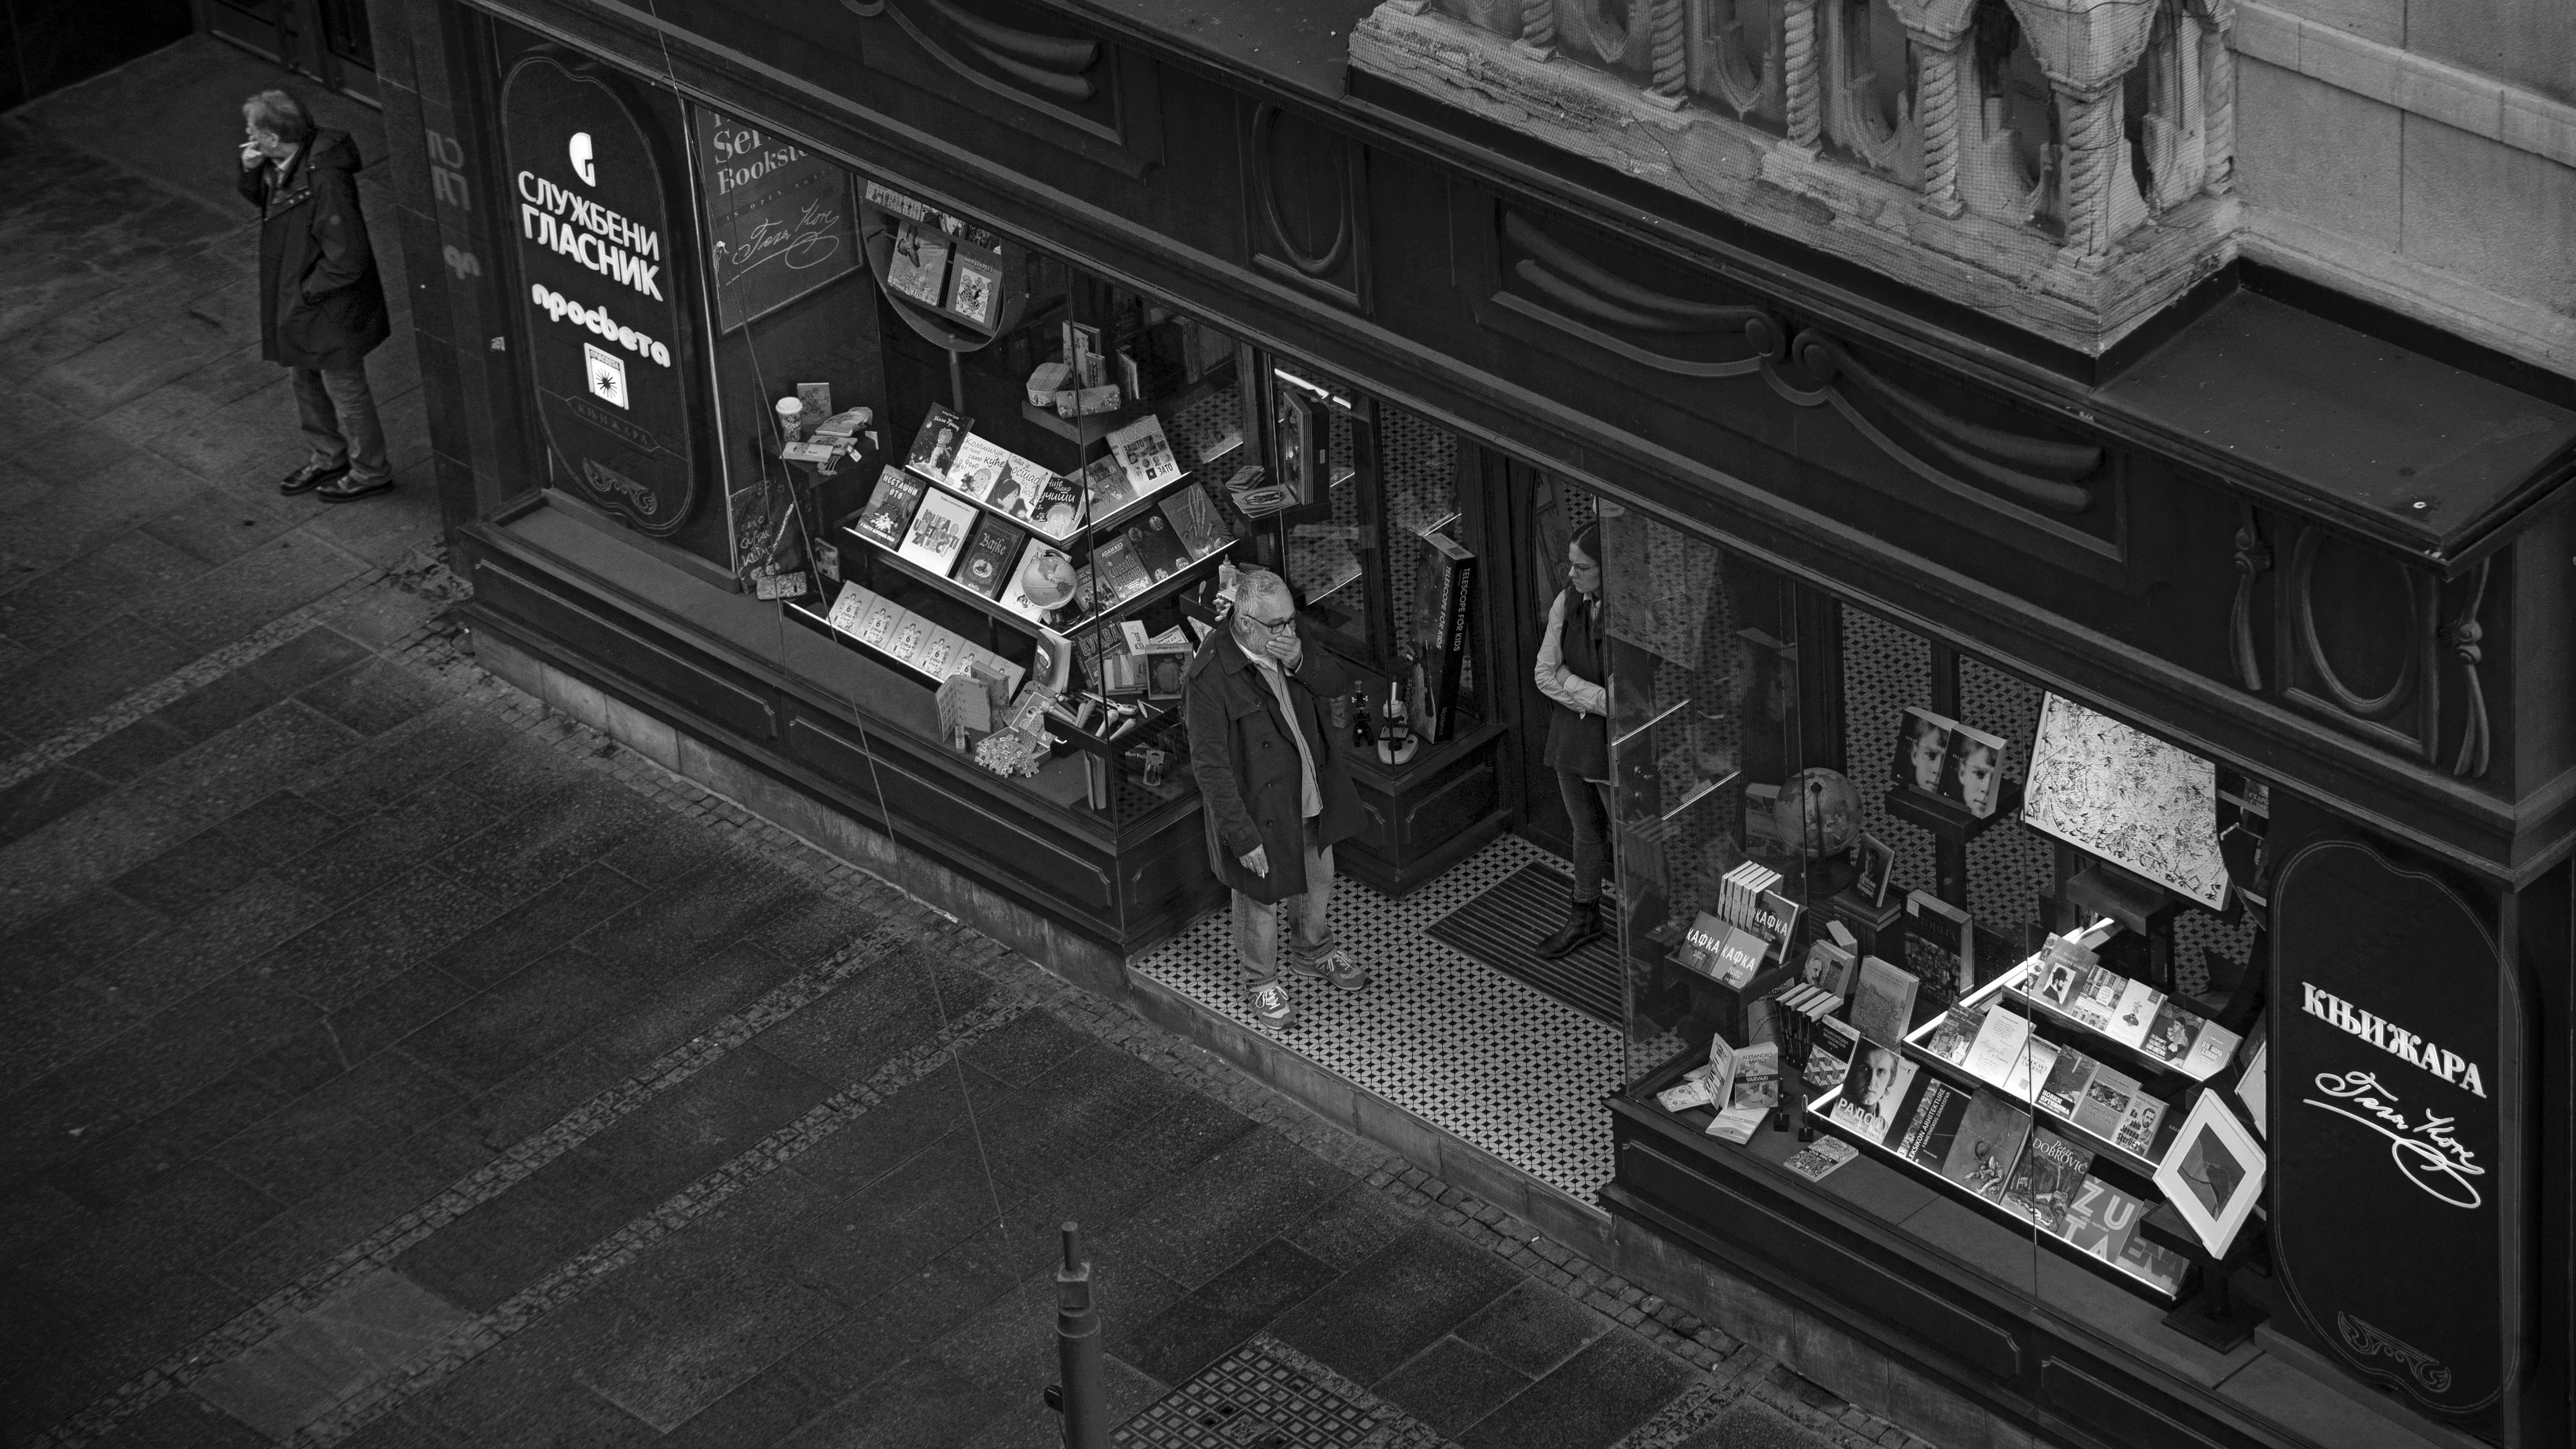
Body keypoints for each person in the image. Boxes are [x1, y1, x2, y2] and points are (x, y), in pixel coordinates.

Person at [1183, 565, 1368, 1028]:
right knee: (1259, 900)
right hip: (1260, 810)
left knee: (1319, 875)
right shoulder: (1210, 676)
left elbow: (1334, 682)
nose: (1289, 629)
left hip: (1310, 789)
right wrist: (1242, 838)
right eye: (1278, 625)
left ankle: (1314, 948)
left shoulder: (1290, 634)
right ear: (1245, 623)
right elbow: (1210, 768)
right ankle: (1261, 982)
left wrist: (1302, 659)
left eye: (1291, 620)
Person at [238, 88, 393, 501]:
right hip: (300, 298)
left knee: (346, 390)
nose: (248, 136)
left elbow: (349, 255)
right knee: (304, 379)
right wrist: (251, 171)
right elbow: (267, 204)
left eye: (253, 130)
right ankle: (328, 455)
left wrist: (306, 294)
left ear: (272, 137)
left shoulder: (325, 178)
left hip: (326, 304)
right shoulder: (281, 163)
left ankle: (369, 470)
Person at [1532, 522, 1612, 959]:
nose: (1573, 573)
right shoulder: (1567, 600)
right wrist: (1592, 696)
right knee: (1585, 829)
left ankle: (1653, 926)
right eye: (1570, 563)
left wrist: (1571, 682)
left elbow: (1623, 705)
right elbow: (1544, 674)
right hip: (1571, 738)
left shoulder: (1628, 618)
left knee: (1628, 834)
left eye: (1583, 567)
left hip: (1614, 746)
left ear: (1608, 569)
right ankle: (1585, 915)